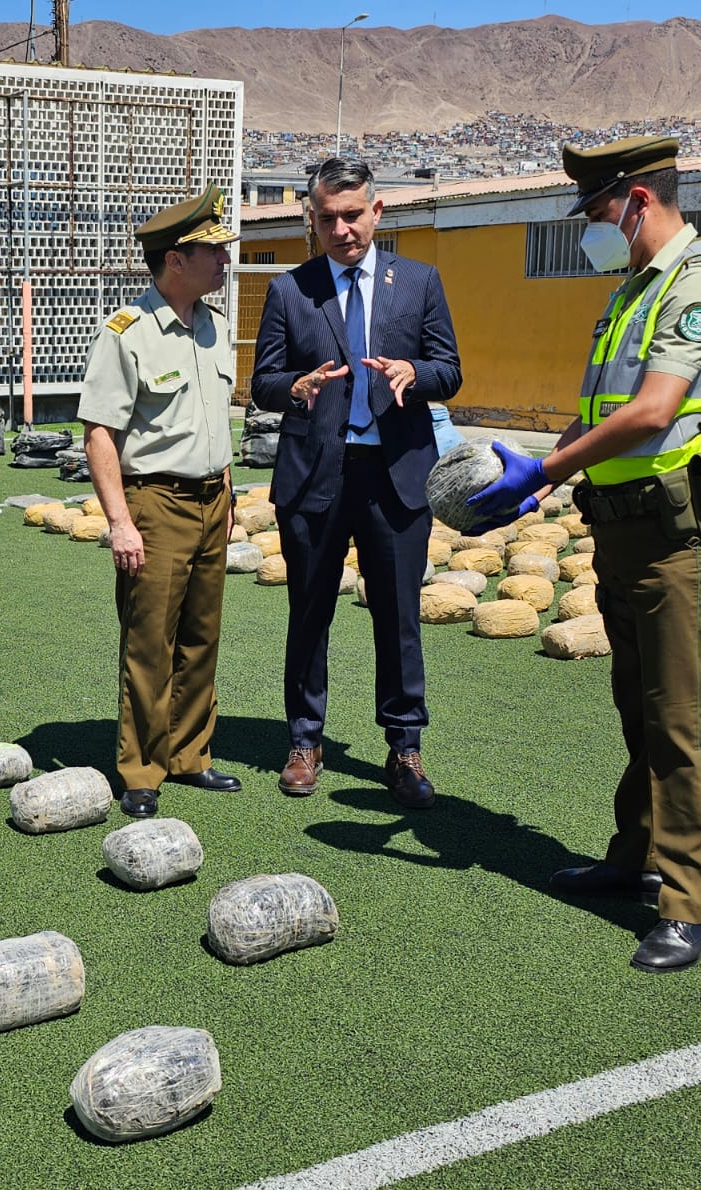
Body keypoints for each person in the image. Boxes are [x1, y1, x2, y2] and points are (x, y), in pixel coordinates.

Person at [468, 136, 701, 974]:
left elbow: (657, 409)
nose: (592, 227)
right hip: (624, 524)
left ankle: (691, 903)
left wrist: (550, 467)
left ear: (637, 200)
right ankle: (638, 857)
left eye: (596, 212)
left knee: (680, 715)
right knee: (638, 702)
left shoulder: (698, 283)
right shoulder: (634, 289)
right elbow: (603, 406)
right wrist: (543, 478)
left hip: (678, 532)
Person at [251, 157, 463, 808]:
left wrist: (413, 374)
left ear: (378, 212)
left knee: (398, 619)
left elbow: (449, 370)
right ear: (311, 221)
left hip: (395, 477)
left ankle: (404, 749)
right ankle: (305, 742)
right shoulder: (291, 290)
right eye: (327, 218)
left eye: (353, 215)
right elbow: (262, 382)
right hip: (316, 477)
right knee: (309, 614)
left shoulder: (420, 283)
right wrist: (297, 386)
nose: (342, 229)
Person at [78, 186, 241, 818]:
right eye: (213, 253)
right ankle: (141, 769)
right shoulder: (128, 333)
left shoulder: (216, 328)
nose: (224, 262)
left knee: (202, 637)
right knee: (150, 641)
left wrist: (226, 490)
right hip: (157, 504)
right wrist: (120, 521)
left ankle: (190, 755)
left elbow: (212, 421)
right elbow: (100, 433)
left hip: (210, 501)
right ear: (176, 259)